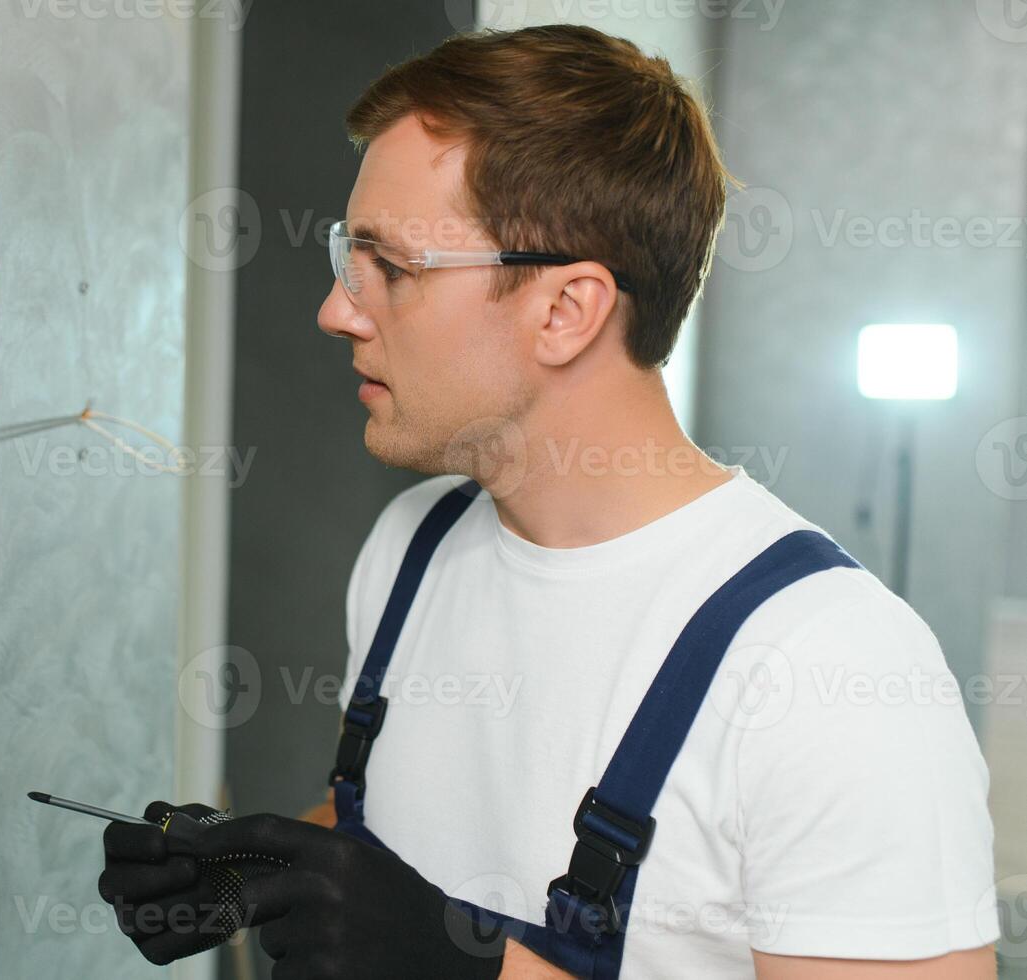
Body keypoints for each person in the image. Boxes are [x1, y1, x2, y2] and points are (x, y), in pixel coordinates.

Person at [98, 24, 999, 979]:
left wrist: (472, 971)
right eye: (344, 255)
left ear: (565, 310)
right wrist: (264, 869)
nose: (336, 309)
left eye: (391, 269)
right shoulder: (411, 544)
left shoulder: (828, 670)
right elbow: (399, 833)